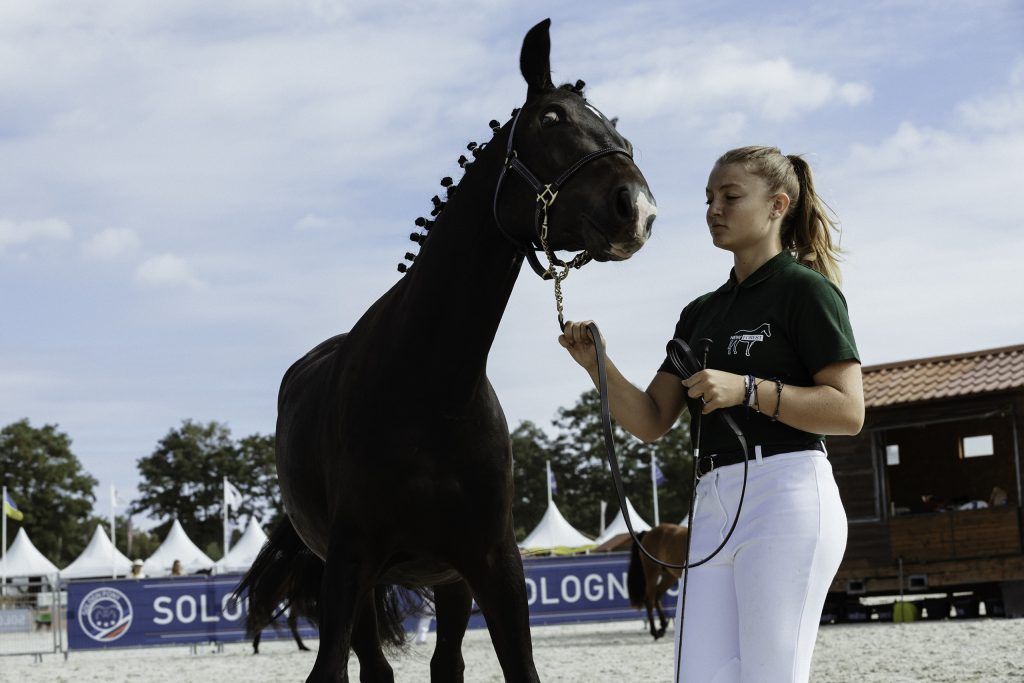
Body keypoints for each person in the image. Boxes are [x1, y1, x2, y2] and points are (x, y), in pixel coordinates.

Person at [559, 145, 864, 682]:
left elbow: (847, 411)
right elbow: (653, 420)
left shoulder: (807, 291)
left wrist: (749, 390)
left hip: (787, 495)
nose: (713, 209)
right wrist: (598, 367)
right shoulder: (698, 312)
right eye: (708, 199)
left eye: (730, 196)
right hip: (712, 503)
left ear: (777, 205)